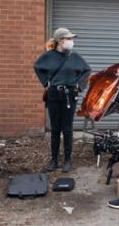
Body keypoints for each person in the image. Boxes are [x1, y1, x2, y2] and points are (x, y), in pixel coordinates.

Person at [33, 28, 91, 172]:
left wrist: (79, 85)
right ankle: (54, 160)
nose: (71, 41)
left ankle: (67, 160)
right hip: (53, 94)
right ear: (60, 40)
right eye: (69, 38)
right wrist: (45, 82)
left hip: (69, 95)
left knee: (67, 128)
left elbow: (87, 70)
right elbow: (37, 67)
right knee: (55, 128)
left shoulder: (75, 56)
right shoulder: (48, 56)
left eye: (71, 38)